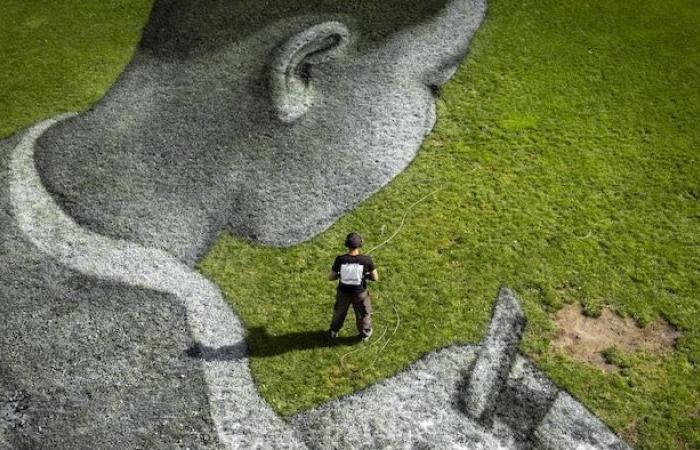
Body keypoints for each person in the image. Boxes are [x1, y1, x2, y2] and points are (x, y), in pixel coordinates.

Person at [328, 232, 379, 342]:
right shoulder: (367, 260)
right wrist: (366, 275)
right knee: (363, 313)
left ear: (347, 244)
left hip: (343, 293)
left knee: (339, 312)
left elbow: (331, 277)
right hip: (360, 294)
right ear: (360, 244)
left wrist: (339, 275)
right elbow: (375, 278)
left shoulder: (340, 259)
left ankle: (333, 331)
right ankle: (364, 334)